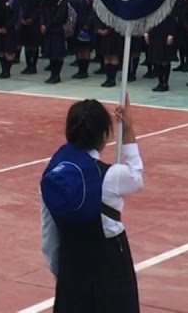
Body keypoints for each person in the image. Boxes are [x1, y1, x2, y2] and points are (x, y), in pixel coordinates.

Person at [41, 98, 144, 312]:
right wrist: (128, 129)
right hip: (110, 266)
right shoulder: (110, 175)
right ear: (105, 134)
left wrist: (63, 273)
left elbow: (49, 235)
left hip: (72, 263)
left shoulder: (54, 173)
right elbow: (136, 175)